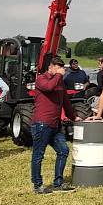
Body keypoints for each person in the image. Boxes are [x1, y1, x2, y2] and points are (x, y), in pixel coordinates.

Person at [31, 57, 76, 194]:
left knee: (63, 150)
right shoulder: (41, 79)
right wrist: (58, 75)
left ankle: (58, 183)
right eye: (58, 67)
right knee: (38, 155)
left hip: (55, 124)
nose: (61, 70)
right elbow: (49, 87)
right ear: (51, 67)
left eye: (62, 67)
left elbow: (65, 101)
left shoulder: (59, 81)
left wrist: (74, 117)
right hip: (41, 124)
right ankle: (37, 185)